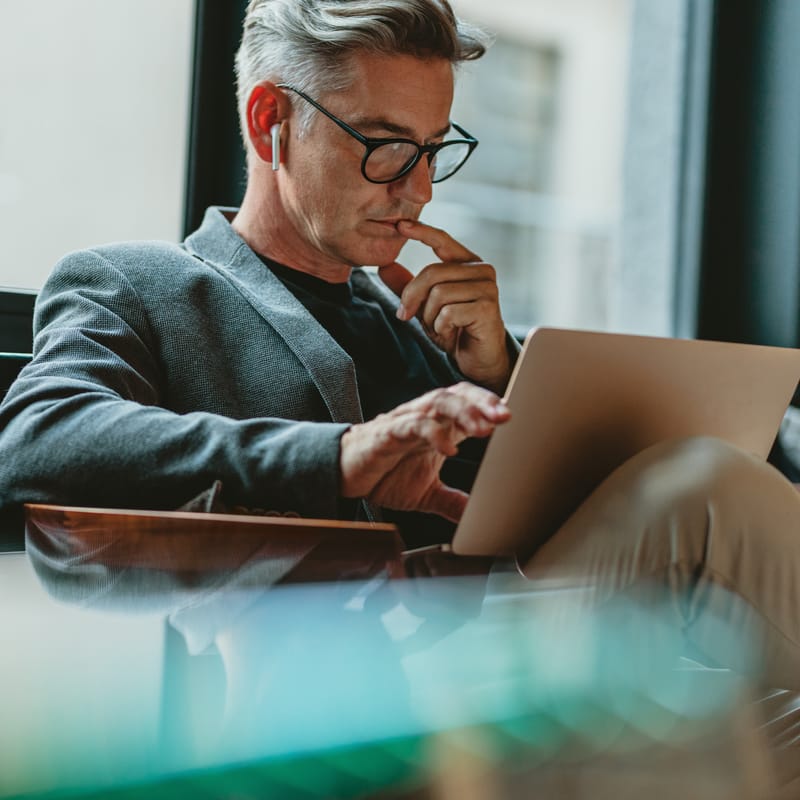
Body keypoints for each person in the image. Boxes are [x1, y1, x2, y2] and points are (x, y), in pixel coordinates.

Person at [1, 0, 800, 702]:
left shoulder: (426, 321)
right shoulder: (139, 284)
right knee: (706, 487)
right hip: (363, 674)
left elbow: (570, 523)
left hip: (537, 644)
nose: (419, 190)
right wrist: (340, 455)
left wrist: (505, 374)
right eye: (385, 145)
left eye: (435, 148)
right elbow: (38, 439)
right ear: (268, 120)